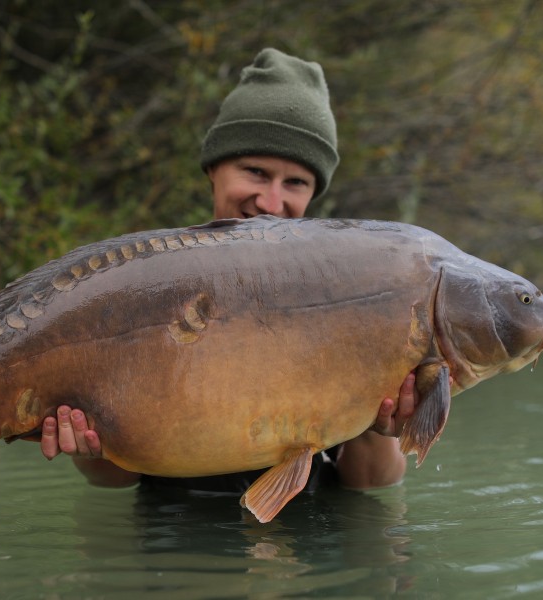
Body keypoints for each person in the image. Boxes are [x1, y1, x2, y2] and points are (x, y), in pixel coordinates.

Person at [40, 48, 418, 494]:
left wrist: (380, 423)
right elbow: (118, 481)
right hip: (174, 540)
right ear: (213, 170)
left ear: (314, 193)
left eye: (295, 182)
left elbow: (371, 485)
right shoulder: (140, 283)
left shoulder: (348, 291)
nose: (272, 203)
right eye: (256, 172)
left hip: (314, 542)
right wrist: (91, 449)